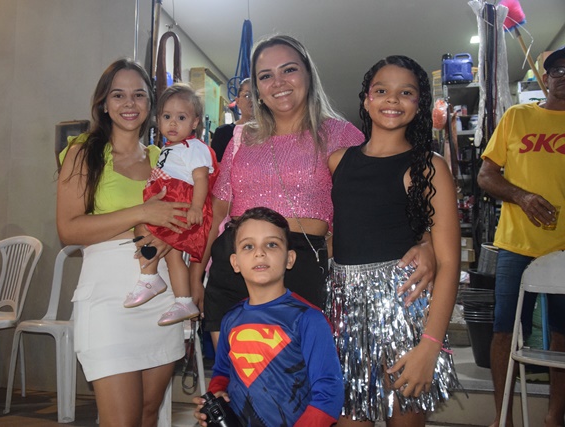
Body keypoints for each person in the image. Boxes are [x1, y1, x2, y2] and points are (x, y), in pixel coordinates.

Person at [191, 34, 437, 349]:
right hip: (234, 267)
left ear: (308, 74)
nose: (278, 82)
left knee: (295, 375)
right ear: (258, 89)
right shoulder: (241, 138)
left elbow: (385, 196)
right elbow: (216, 215)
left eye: (289, 70)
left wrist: (426, 241)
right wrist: (195, 277)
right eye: (266, 76)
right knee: (236, 374)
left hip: (304, 267)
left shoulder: (340, 134)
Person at [325, 55, 461, 426]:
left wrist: (430, 346)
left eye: (406, 93)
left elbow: (449, 262)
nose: (392, 100)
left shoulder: (429, 165)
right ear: (366, 99)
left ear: (419, 104)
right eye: (382, 90)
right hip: (344, 311)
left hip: (402, 309)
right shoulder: (337, 161)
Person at [56, 58, 191, 427]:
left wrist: (171, 235)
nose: (129, 103)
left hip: (161, 294)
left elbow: (183, 218)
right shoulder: (83, 152)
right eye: (118, 95)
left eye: (139, 95)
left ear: (151, 103)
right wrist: (142, 213)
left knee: (148, 413)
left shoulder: (164, 158)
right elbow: (69, 230)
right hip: (107, 297)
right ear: (104, 103)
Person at [477, 46, 565, 427]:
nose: (564, 76)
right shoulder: (517, 117)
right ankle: (503, 419)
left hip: (564, 249)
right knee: (504, 333)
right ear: (545, 79)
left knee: (562, 336)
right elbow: (485, 176)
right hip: (516, 245)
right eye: (557, 70)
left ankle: (554, 417)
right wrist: (522, 196)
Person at [193, 207, 344, 426]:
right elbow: (222, 373)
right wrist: (216, 396)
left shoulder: (309, 319)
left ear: (290, 258)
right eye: (248, 246)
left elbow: (329, 394)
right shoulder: (230, 319)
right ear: (235, 263)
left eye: (271, 244)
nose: (260, 253)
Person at [124, 83, 217, 326]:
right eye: (167, 117)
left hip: (179, 203)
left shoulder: (194, 148)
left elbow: (201, 179)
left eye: (181, 118)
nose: (173, 123)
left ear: (195, 122)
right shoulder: (169, 148)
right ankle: (184, 300)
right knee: (173, 255)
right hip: (169, 200)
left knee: (143, 228)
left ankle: (149, 277)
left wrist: (195, 207)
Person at [210, 78, 254, 162]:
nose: (253, 100)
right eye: (247, 96)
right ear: (237, 101)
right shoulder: (223, 132)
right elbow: (217, 166)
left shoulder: (272, 133)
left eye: (257, 96)